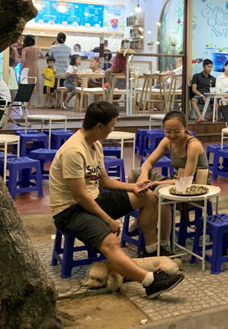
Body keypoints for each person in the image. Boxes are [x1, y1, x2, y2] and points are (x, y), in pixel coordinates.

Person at [49, 102, 184, 298]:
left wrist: (134, 187)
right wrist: (107, 219)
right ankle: (150, 282)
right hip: (70, 210)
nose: (113, 129)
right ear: (99, 126)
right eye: (112, 125)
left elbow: (104, 181)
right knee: (111, 241)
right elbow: (80, 196)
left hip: (94, 199)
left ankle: (150, 251)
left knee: (147, 197)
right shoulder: (73, 151)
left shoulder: (95, 144)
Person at [133, 110, 210, 251]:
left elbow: (185, 180)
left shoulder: (193, 145)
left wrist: (156, 183)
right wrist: (144, 175)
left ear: (185, 128)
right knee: (135, 175)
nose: (172, 135)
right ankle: (141, 218)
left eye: (177, 131)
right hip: (176, 181)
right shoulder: (167, 141)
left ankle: (164, 242)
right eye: (168, 131)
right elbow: (148, 162)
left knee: (160, 191)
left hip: (194, 188)